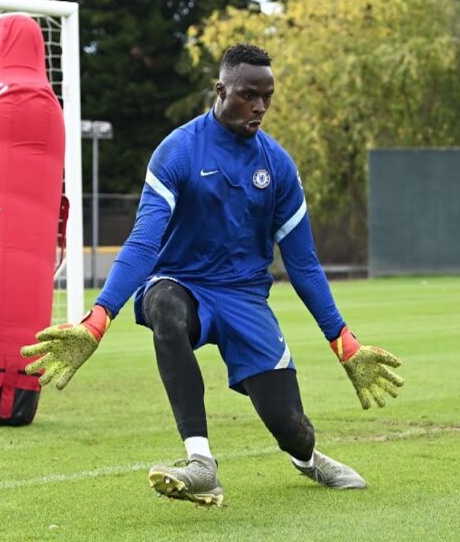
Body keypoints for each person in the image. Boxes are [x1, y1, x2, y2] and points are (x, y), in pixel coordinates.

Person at [21, 44, 403, 507]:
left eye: (267, 96)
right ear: (220, 91)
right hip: (183, 284)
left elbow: (302, 264)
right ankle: (201, 463)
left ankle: (308, 459)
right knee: (164, 306)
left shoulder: (278, 166)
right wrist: (98, 318)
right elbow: (144, 243)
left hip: (245, 300)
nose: (259, 106)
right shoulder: (178, 151)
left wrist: (345, 343)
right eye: (248, 95)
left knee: (292, 429)